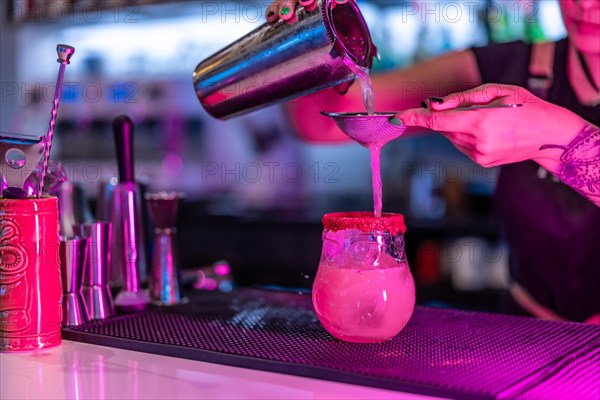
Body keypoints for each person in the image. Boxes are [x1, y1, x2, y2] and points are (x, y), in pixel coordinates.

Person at [265, 0, 600, 324]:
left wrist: (557, 136)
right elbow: (320, 122)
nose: (584, 5)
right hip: (531, 333)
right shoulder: (512, 68)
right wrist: (302, 39)